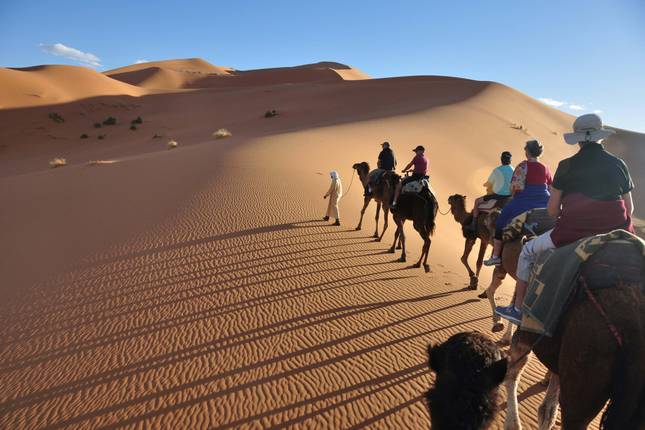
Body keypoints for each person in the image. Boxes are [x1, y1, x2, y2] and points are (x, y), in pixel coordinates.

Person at [496, 113, 635, 323]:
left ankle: (517, 309)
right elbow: (630, 208)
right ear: (600, 136)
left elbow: (552, 211)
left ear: (578, 140)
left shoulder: (566, 165)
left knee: (526, 252)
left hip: (571, 233)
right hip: (618, 232)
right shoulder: (619, 164)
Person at [484, 140, 552, 266]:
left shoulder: (523, 166)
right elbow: (550, 188)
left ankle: (496, 256)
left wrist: (515, 197)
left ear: (527, 152)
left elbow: (514, 188)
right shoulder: (545, 167)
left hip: (524, 200)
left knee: (500, 222)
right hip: (545, 202)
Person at [465, 151, 514, 233]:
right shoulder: (514, 170)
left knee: (477, 202)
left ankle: (473, 225)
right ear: (510, 160)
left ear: (501, 159)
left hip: (497, 196)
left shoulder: (497, 170)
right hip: (509, 197)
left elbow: (489, 183)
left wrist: (486, 184)